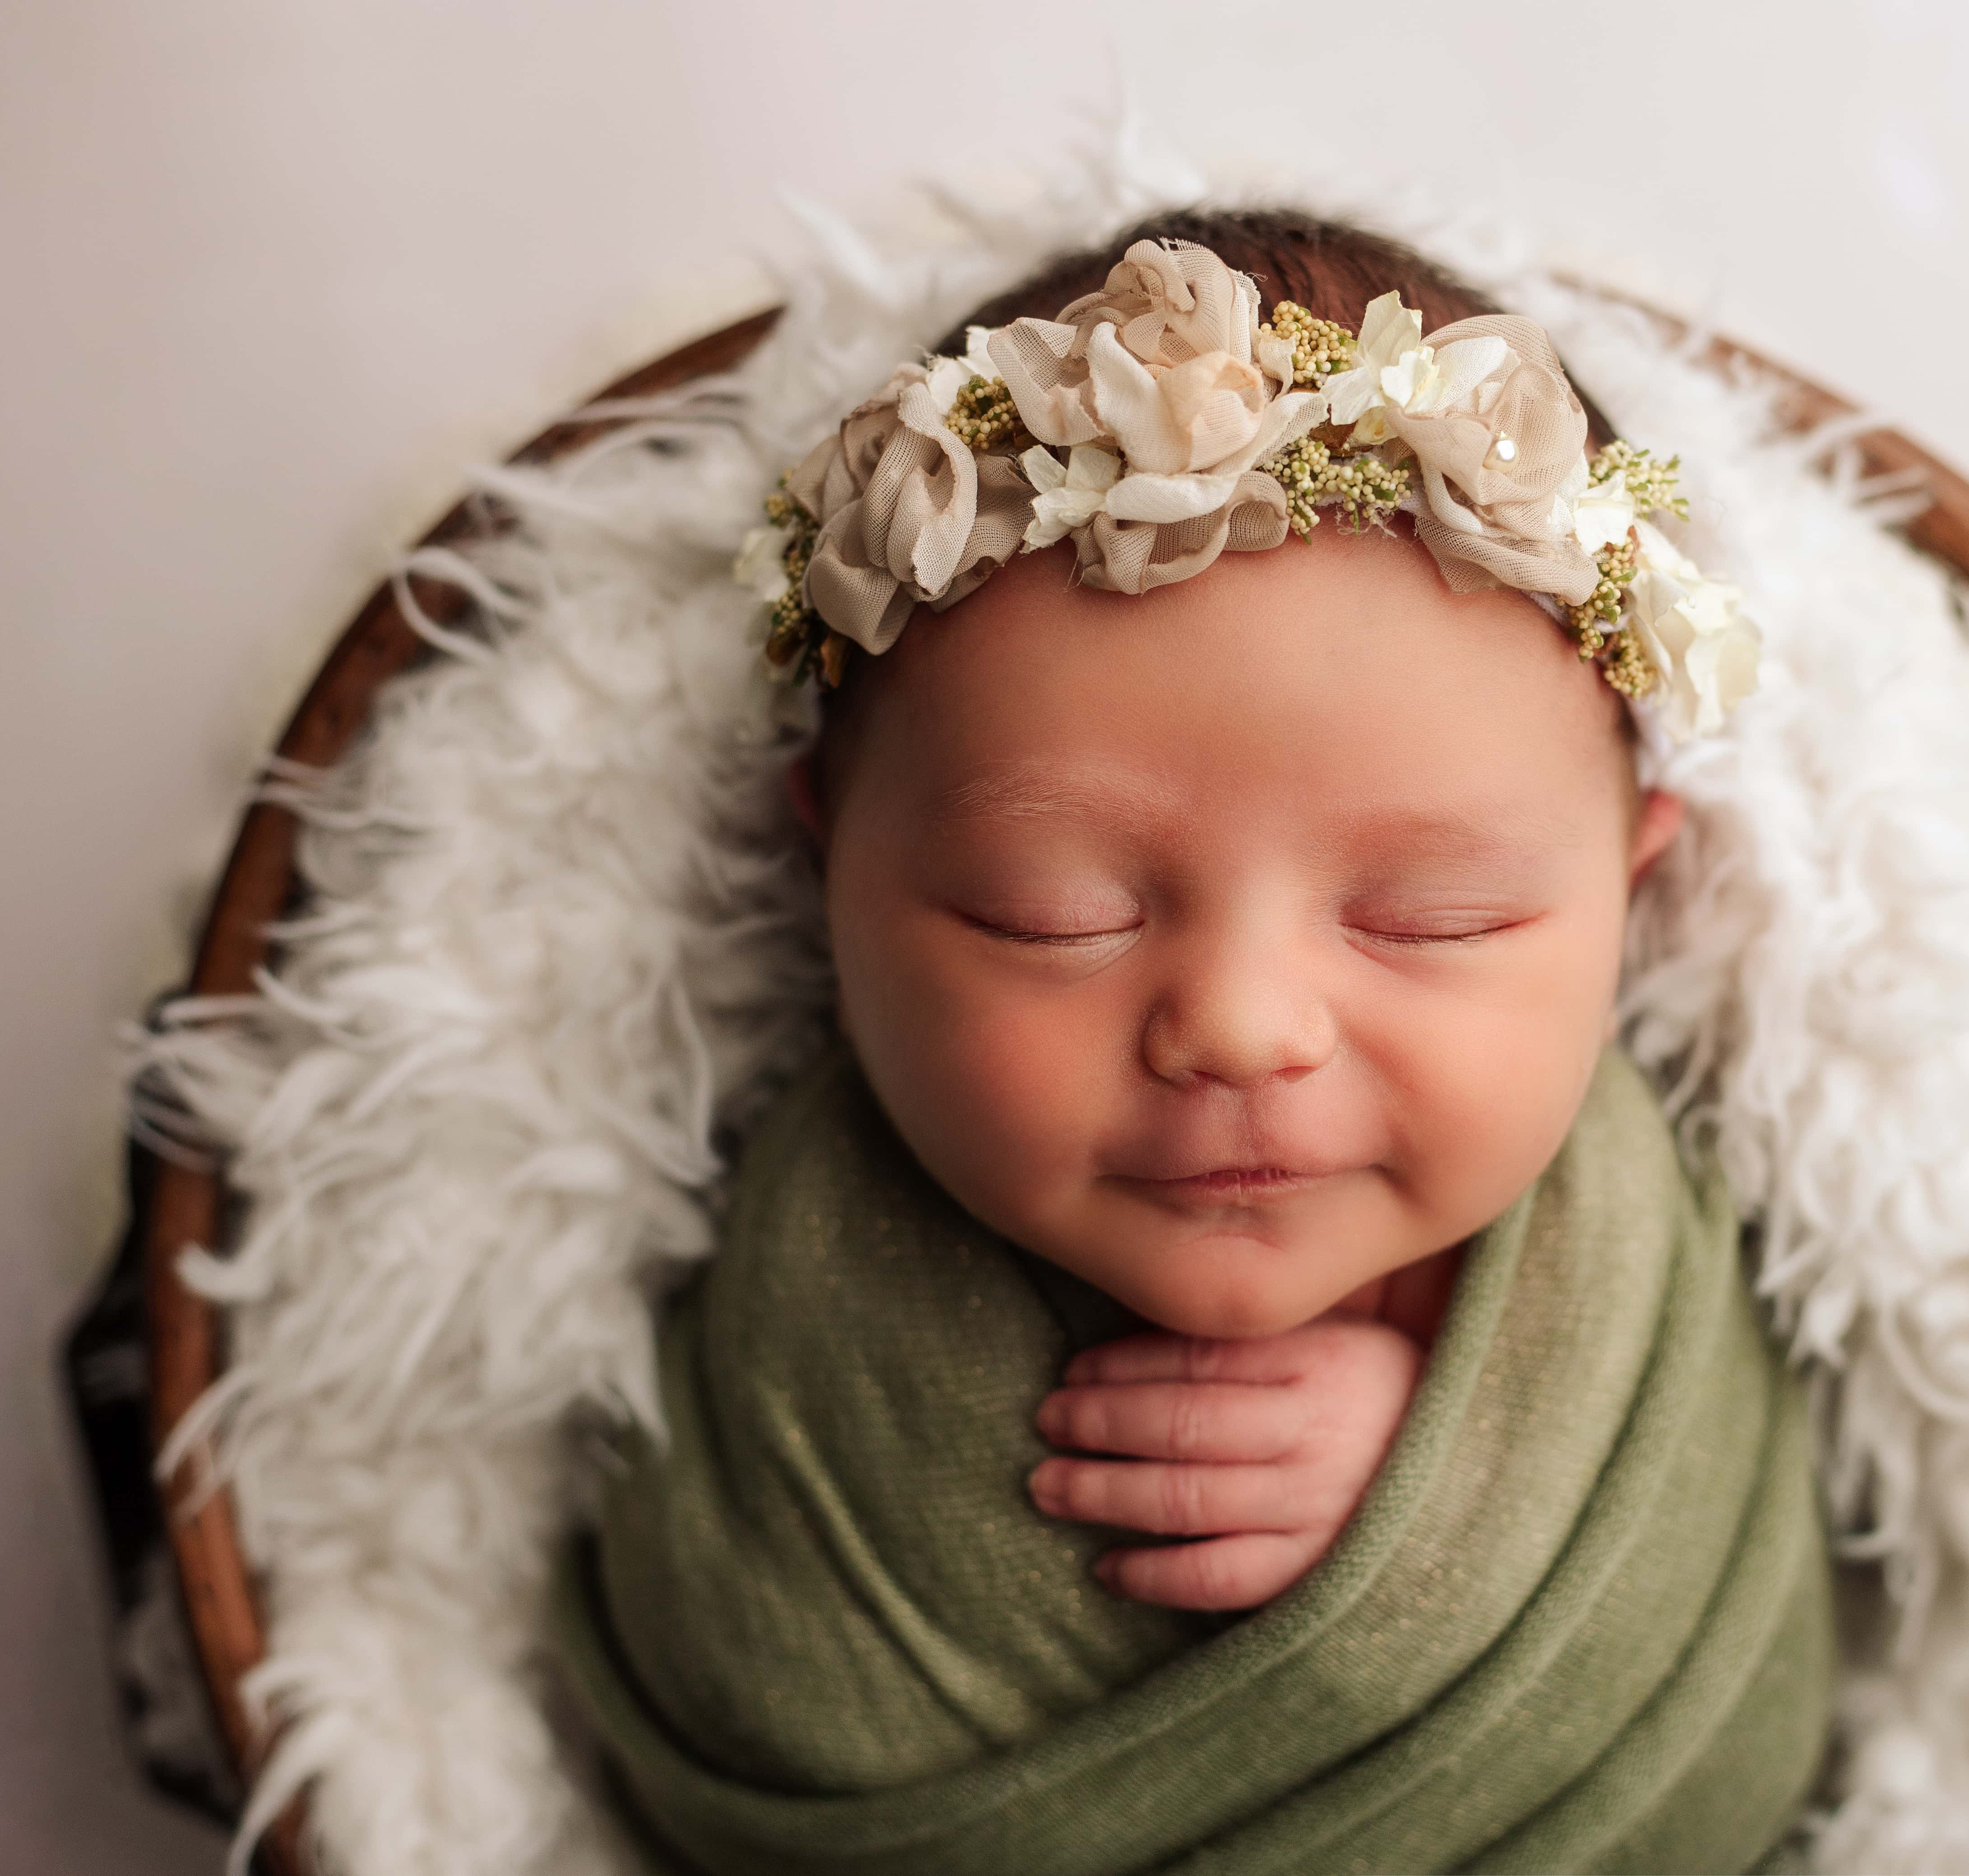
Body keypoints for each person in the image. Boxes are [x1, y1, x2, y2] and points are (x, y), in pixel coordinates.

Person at [554, 210, 1831, 1875]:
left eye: (1433, 920)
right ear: (829, 878)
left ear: (1630, 897)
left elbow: (1743, 1713)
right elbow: (737, 1672)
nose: (1241, 1029)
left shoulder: (1639, 1251)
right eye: (1048, 914)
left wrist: (1453, 1501)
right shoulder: (802, 1294)